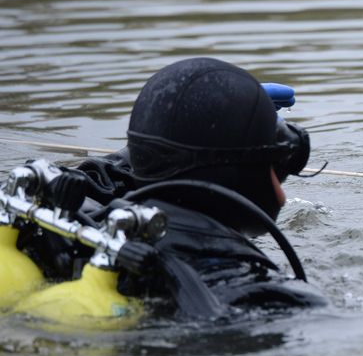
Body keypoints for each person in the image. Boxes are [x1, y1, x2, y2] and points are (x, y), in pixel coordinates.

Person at [18, 57, 323, 318]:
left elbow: (84, 181)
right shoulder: (271, 299)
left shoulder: (79, 228)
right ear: (246, 176)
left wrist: (182, 128)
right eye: (280, 165)